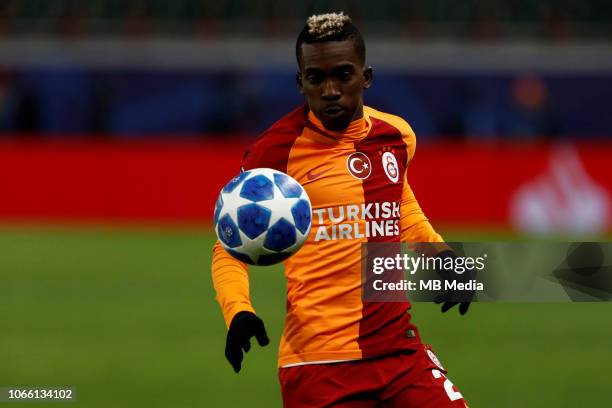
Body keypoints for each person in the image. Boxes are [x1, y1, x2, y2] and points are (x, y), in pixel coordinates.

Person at [212, 12, 470, 407]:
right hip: (319, 366)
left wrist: (440, 254)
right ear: (301, 82)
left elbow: (400, 205)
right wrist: (239, 312)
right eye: (316, 78)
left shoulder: (396, 136)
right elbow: (227, 245)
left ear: (366, 77)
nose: (331, 90)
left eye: (343, 75)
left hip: (400, 355)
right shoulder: (275, 153)